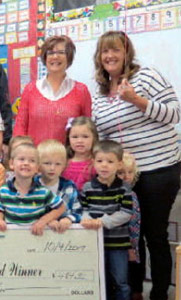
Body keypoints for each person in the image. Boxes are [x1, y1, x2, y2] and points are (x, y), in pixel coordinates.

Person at [92, 31, 181, 300]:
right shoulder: (99, 93)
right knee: (131, 236)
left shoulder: (147, 77)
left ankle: (160, 293)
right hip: (126, 177)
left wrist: (137, 101)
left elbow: (175, 113)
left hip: (160, 169)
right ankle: (134, 292)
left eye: (115, 50)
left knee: (155, 234)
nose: (110, 56)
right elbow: (102, 135)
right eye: (105, 52)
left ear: (126, 52)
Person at [13, 35, 91, 146]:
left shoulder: (81, 91)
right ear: (45, 58)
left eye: (60, 52)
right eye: (50, 53)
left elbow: (88, 131)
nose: (55, 56)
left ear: (69, 57)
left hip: (68, 161)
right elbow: (20, 128)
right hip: (35, 160)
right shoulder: (30, 90)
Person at [80, 140, 133, 300]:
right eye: (100, 161)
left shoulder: (124, 187)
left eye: (110, 161)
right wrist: (87, 220)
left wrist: (103, 221)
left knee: (121, 281)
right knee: (99, 280)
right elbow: (83, 209)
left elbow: (126, 212)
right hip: (95, 243)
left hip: (118, 244)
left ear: (119, 164)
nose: (104, 165)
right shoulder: (88, 187)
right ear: (93, 163)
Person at [0, 143, 65, 234]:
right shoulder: (4, 191)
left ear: (37, 168)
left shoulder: (43, 192)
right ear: (11, 163)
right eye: (21, 159)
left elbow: (61, 207)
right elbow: (1, 210)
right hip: (10, 239)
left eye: (32, 161)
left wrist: (43, 221)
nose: (26, 163)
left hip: (35, 238)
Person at [35, 139, 81, 233]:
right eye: (47, 163)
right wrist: (48, 220)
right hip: (37, 234)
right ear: (38, 164)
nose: (52, 168)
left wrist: (68, 219)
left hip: (63, 237)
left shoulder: (69, 187)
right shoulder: (32, 185)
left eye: (58, 164)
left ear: (64, 165)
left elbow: (77, 211)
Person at [62, 116, 98, 190]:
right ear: (68, 138)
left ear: (94, 138)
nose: (80, 141)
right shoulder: (63, 163)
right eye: (75, 137)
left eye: (85, 137)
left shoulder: (97, 163)